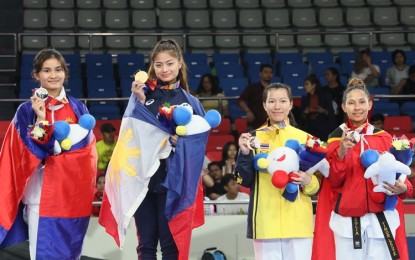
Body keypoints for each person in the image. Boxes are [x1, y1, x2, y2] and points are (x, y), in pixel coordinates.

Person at [100, 39, 208, 260]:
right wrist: (139, 101)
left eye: (169, 63)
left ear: (180, 64)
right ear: (153, 67)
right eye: (159, 65)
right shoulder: (142, 97)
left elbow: (199, 145)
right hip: (144, 180)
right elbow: (130, 138)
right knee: (146, 245)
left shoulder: (191, 102)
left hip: (174, 182)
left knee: (171, 246)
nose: (165, 69)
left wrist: (183, 143)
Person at [0, 48, 97, 259]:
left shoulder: (78, 107)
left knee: (72, 255)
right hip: (40, 197)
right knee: (44, 254)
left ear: (65, 72)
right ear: (37, 75)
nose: (53, 75)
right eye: (46, 70)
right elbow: (29, 151)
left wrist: (59, 152)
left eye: (58, 69)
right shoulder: (26, 111)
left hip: (72, 195)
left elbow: (88, 151)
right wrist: (41, 119)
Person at [312, 78, 413, 260]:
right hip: (347, 222)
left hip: (381, 219)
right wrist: (342, 151)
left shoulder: (384, 138)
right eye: (351, 103)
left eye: (361, 102)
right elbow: (333, 182)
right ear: (343, 107)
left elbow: (398, 174)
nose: (357, 107)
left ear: (370, 104)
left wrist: (405, 188)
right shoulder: (335, 139)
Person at [235, 83, 320, 260]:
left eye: (282, 101)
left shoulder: (307, 139)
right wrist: (244, 153)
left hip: (298, 222)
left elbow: (319, 184)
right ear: (264, 105)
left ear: (290, 104)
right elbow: (243, 181)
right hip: (266, 223)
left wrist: (308, 181)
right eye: (271, 101)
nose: (277, 106)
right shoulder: (252, 139)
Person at [238, 64, 273, 129]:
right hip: (255, 124)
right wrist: (248, 111)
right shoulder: (252, 88)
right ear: (260, 74)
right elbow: (240, 100)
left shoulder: (275, 89)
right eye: (266, 72)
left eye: (270, 73)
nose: (268, 74)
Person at [301, 74, 336, 141]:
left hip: (323, 128)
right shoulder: (304, 99)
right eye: (304, 85)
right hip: (309, 128)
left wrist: (323, 111)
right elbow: (301, 118)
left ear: (313, 85)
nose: (304, 87)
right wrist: (305, 113)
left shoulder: (325, 97)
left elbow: (331, 114)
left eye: (307, 84)